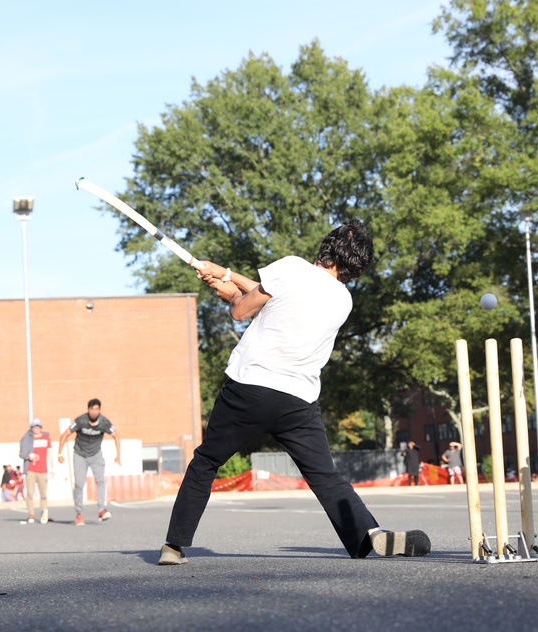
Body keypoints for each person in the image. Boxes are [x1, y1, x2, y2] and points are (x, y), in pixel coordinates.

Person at [157, 223, 430, 565]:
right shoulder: (343, 300)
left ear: (326, 246)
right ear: (355, 265)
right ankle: (369, 535)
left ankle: (174, 546)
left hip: (249, 389)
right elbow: (273, 292)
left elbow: (242, 309)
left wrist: (229, 290)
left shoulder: (290, 267)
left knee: (206, 462)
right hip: (297, 401)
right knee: (326, 477)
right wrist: (225, 274)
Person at [58, 398, 121, 525]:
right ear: (88, 410)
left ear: (99, 410)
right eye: (91, 409)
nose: (94, 412)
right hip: (80, 454)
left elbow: (116, 436)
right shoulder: (81, 420)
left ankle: (102, 510)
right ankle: (79, 514)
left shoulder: (104, 422)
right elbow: (65, 434)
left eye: (96, 409)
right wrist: (60, 452)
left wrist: (118, 455)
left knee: (100, 481)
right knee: (79, 484)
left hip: (95, 454)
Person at [21, 419, 52, 524]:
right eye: (34, 427)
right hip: (31, 469)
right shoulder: (27, 439)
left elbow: (49, 453)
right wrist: (29, 456)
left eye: (38, 427)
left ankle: (44, 512)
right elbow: (21, 452)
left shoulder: (46, 438)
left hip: (42, 470)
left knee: (43, 493)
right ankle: (31, 513)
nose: (36, 429)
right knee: (30, 493)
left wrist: (52, 467)